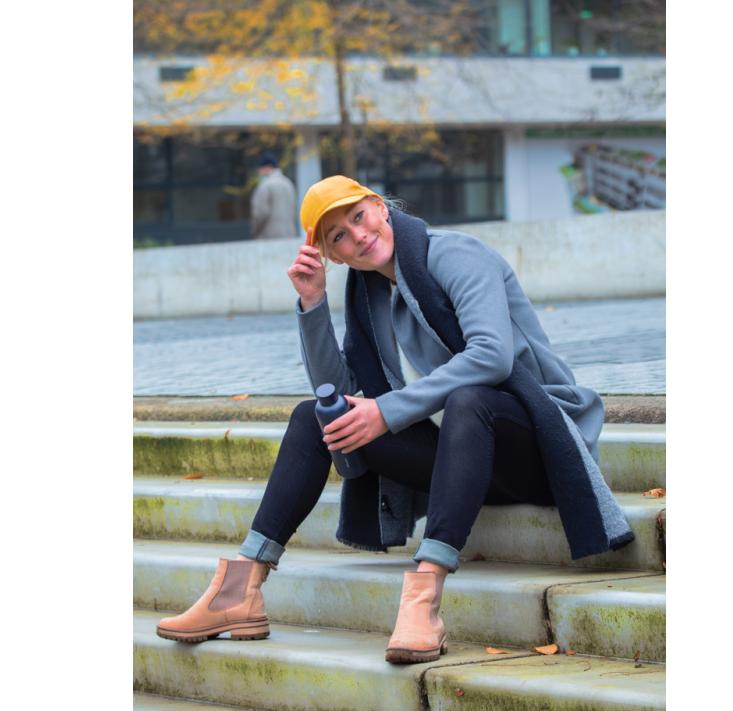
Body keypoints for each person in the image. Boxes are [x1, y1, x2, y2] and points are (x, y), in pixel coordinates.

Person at [157, 175, 634, 663]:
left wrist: (387, 411)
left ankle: (423, 601)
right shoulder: (369, 297)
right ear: (333, 256)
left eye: (358, 216)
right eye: (339, 236)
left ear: (381, 208)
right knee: (314, 417)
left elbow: (492, 356)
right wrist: (313, 304)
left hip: (535, 449)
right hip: (461, 461)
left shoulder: (455, 255)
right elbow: (337, 391)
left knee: (470, 399)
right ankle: (240, 589)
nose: (359, 235)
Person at [250, 152, 298, 239]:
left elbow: (260, 214)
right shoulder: (288, 184)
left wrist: (254, 232)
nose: (259, 172)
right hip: (289, 236)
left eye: (260, 168)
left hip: (269, 237)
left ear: (267, 167)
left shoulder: (265, 186)